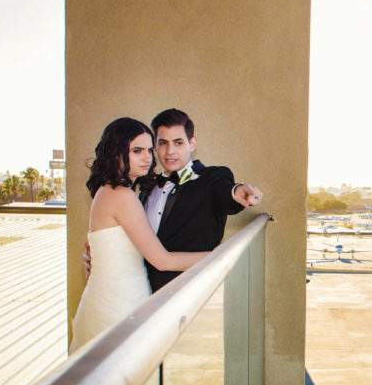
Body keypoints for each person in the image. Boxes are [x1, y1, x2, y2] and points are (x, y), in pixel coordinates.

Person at [70, 118, 210, 352]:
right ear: (115, 152)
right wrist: (217, 254)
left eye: (148, 150)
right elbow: (162, 260)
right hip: (118, 303)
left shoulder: (109, 191)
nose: (147, 158)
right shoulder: (121, 195)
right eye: (137, 151)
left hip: (114, 296)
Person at [141, 108, 262, 291]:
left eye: (178, 142)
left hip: (193, 293)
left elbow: (223, 192)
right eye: (163, 143)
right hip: (144, 291)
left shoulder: (212, 178)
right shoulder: (146, 187)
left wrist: (236, 191)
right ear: (155, 146)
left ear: (192, 143)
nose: (170, 151)